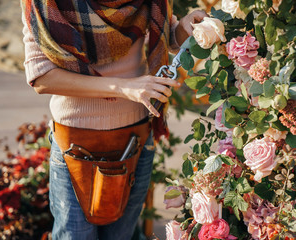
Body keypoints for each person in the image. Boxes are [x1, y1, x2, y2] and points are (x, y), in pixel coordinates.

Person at [20, 0, 207, 239]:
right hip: (76, 143)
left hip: (137, 136)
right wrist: (125, 88)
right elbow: (42, 77)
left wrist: (185, 26)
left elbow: (167, 35)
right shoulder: (49, 4)